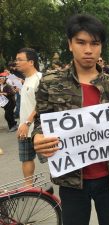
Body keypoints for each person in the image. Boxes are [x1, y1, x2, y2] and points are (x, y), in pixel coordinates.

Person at [32, 14, 109, 225]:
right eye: (81, 42)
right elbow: (41, 121)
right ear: (70, 44)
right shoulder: (50, 83)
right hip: (71, 180)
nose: (88, 50)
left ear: (101, 47)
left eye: (95, 43)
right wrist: (37, 137)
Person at [15, 48, 43, 186]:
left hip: (39, 129)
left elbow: (41, 104)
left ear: (31, 62)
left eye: (20, 60)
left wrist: (27, 122)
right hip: (25, 129)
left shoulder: (39, 79)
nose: (17, 62)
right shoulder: (26, 80)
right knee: (26, 159)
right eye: (16, 60)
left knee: (51, 158)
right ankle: (28, 187)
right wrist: (21, 125)